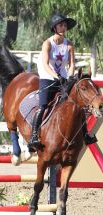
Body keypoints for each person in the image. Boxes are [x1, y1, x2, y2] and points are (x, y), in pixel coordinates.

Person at [28, 13, 97, 151]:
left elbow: (71, 64)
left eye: (65, 25)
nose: (63, 27)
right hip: (47, 76)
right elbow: (46, 64)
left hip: (64, 77)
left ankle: (86, 135)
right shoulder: (47, 43)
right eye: (61, 25)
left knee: (76, 104)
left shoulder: (69, 44)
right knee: (43, 105)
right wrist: (56, 76)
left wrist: (70, 77)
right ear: (54, 28)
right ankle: (34, 136)